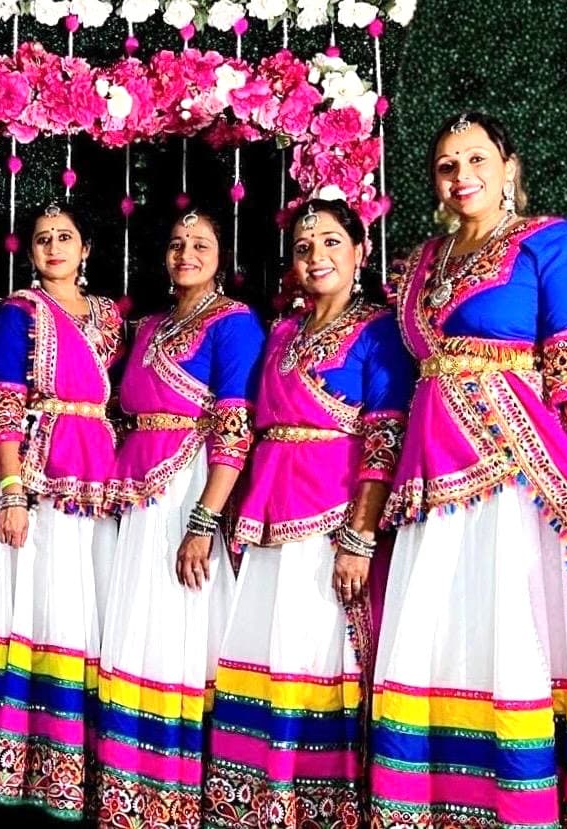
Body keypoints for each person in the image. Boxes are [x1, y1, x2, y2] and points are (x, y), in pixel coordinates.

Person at [370, 111, 567, 828]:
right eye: (446, 165)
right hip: (428, 468)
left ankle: (525, 804)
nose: (461, 176)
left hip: (510, 466)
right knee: (434, 626)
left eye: (475, 160)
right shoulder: (418, 263)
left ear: (508, 166)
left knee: (508, 625)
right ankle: (431, 804)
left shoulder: (548, 241)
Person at [204, 199, 414, 828]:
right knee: (261, 653)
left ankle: (321, 807)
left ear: (360, 252)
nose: (316, 255)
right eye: (303, 246)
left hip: (332, 522)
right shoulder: (282, 334)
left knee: (319, 657)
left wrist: (360, 536)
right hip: (268, 518)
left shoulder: (379, 331)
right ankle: (257, 802)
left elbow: (384, 437)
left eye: (329, 242)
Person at [95, 206, 264, 829]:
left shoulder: (234, 323)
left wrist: (203, 520)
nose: (186, 253)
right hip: (138, 493)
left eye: (200, 243)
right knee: (139, 624)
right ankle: (132, 788)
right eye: (176, 243)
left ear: (223, 254)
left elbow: (233, 424)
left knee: (184, 625)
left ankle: (183, 785)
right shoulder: (146, 327)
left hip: (190, 489)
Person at [0, 201, 123, 820]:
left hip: (98, 473)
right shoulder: (19, 312)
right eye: (42, 239)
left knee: (89, 609)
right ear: (29, 252)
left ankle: (88, 764)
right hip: (41, 474)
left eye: (66, 237)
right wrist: (11, 489)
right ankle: (31, 766)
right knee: (42, 608)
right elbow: (5, 402)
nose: (54, 248)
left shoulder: (112, 318)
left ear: (85, 249)